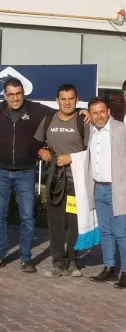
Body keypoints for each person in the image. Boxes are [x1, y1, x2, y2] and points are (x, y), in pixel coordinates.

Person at [0, 78, 90, 273]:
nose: (15, 98)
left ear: (23, 93)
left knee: (28, 218)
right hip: (1, 171)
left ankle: (26, 258)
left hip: (27, 172)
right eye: (11, 94)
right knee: (0, 216)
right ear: (5, 95)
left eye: (19, 93)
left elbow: (64, 110)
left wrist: (84, 110)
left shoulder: (37, 110)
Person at [33, 84, 89, 278]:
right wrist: (40, 150)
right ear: (57, 100)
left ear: (76, 99)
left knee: (74, 223)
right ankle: (58, 262)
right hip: (55, 180)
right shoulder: (48, 119)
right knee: (55, 222)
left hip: (77, 182)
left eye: (71, 98)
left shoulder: (84, 121)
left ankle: (73, 261)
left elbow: (93, 151)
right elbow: (36, 143)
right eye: (63, 99)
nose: (67, 102)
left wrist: (72, 157)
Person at [86, 97, 126, 289]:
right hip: (98, 188)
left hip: (118, 189)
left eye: (102, 111)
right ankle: (109, 267)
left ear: (108, 111)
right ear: (90, 115)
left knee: (122, 233)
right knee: (105, 232)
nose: (99, 116)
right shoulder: (90, 131)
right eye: (94, 112)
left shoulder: (120, 129)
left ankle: (125, 271)